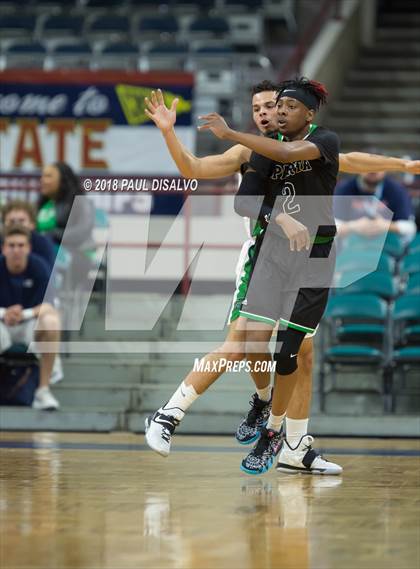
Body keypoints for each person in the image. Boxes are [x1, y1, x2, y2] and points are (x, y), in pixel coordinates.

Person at [143, 82, 420, 474]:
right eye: (256, 107)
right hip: (262, 256)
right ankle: (181, 413)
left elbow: (351, 159)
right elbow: (194, 169)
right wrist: (169, 132)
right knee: (242, 346)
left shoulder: (309, 142)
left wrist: (404, 166)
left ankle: (294, 445)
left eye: (272, 105)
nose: (263, 112)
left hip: (309, 258)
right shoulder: (251, 150)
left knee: (301, 355)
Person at [0, 225, 60, 410]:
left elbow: (49, 305)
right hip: (1, 324)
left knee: (52, 321)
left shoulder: (39, 267)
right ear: (3, 248)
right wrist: (4, 313)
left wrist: (23, 314)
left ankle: (43, 390)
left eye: (20, 245)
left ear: (28, 248)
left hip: (30, 325)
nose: (16, 250)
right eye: (11, 245)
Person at [334, 169, 416, 244]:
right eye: (368, 166)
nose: (373, 170)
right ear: (358, 167)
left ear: (385, 169)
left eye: (379, 167)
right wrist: (353, 226)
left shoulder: (397, 190)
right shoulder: (344, 188)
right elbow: (329, 227)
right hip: (350, 247)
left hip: (385, 246)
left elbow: (410, 227)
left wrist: (387, 226)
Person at [1, 200, 56, 269]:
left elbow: (49, 274)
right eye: (11, 221)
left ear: (32, 224)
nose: (16, 225)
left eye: (21, 220)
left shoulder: (43, 244)